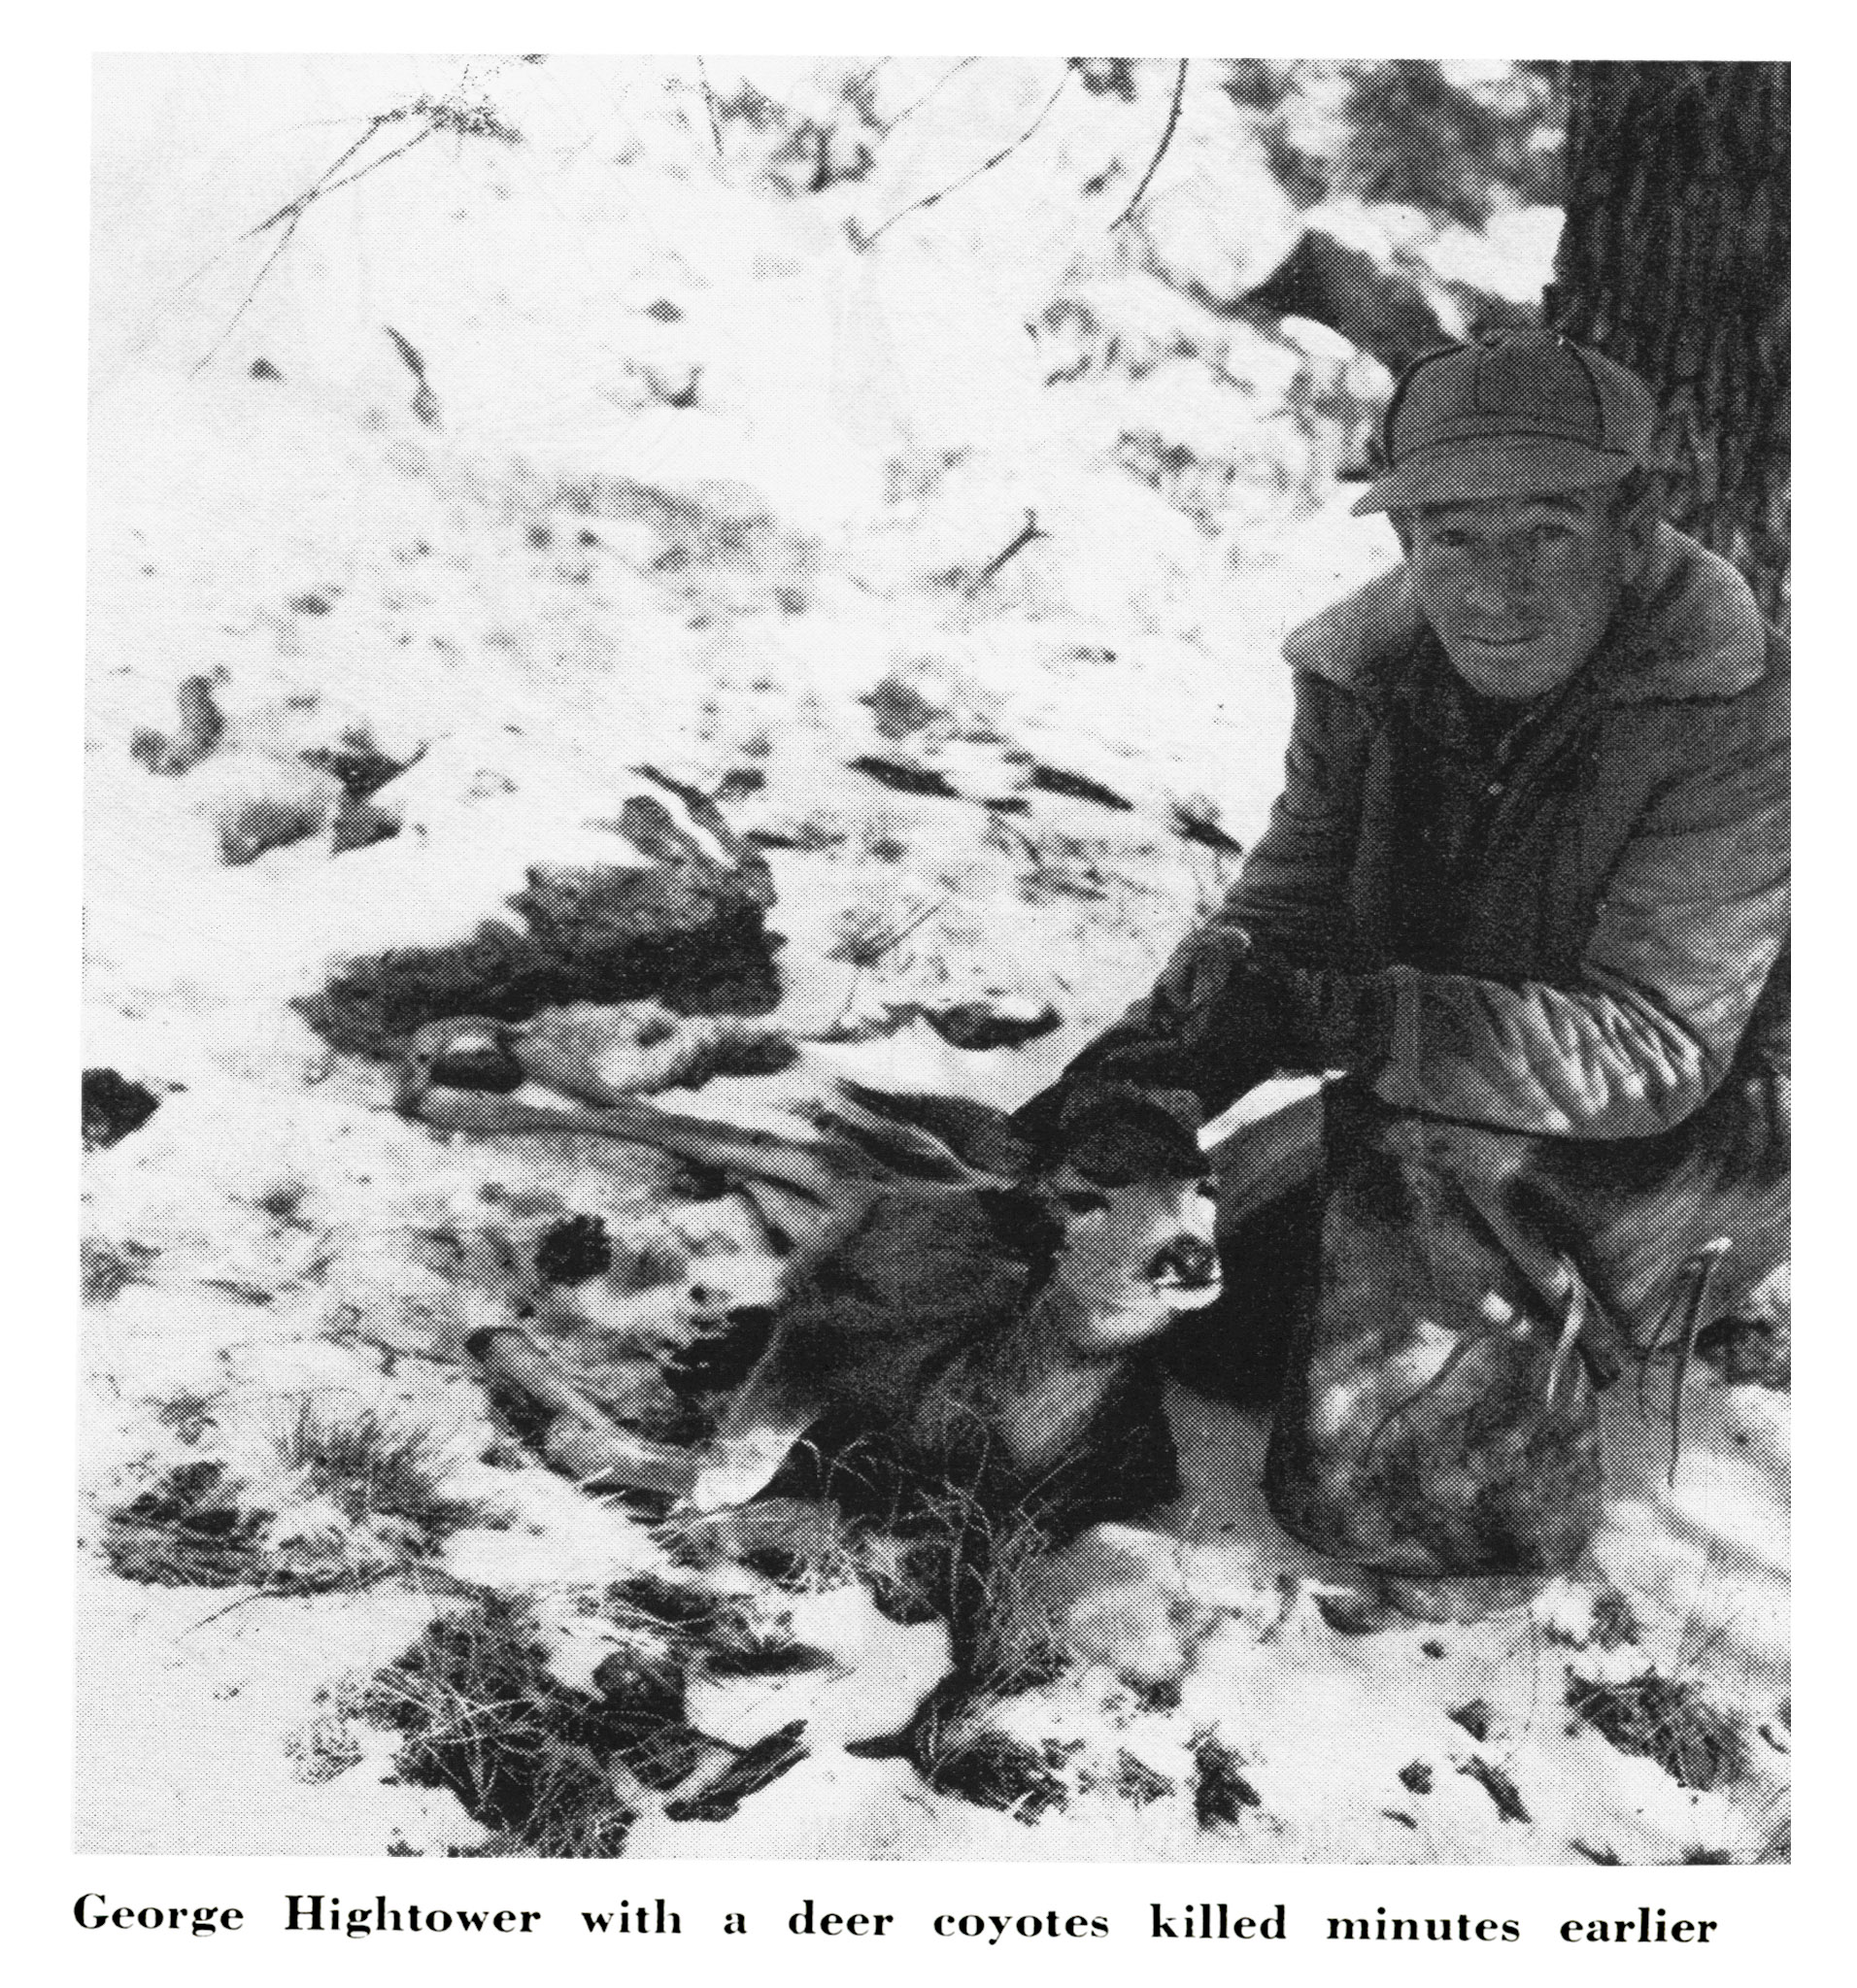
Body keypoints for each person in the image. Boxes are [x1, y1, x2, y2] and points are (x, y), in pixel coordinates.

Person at [1017, 329, 1789, 1614]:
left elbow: (1655, 1049)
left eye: (1546, 531)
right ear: (1402, 541)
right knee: (1208, 1319)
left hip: (1719, 1130)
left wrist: (1362, 1022)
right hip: (1434, 1089)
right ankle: (1510, 1300)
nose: (1497, 590)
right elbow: (1286, 921)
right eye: (1452, 537)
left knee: (1403, 1316)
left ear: (1635, 520)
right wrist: (1145, 1079)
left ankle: (1472, 1540)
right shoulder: (1368, 679)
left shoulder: (1746, 716)